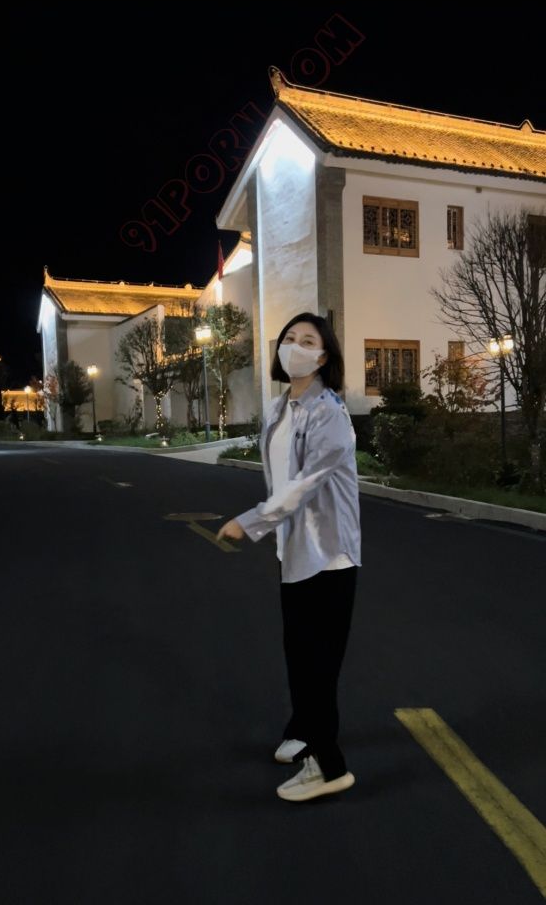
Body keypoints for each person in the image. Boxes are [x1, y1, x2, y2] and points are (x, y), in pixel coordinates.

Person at [217, 312, 362, 802]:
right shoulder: (281, 408)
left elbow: (304, 484)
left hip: (330, 554)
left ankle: (329, 766)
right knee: (299, 654)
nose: (295, 347)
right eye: (289, 338)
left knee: (317, 664)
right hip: (295, 548)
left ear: (322, 357)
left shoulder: (329, 413)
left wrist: (251, 520)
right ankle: (304, 730)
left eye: (308, 341)